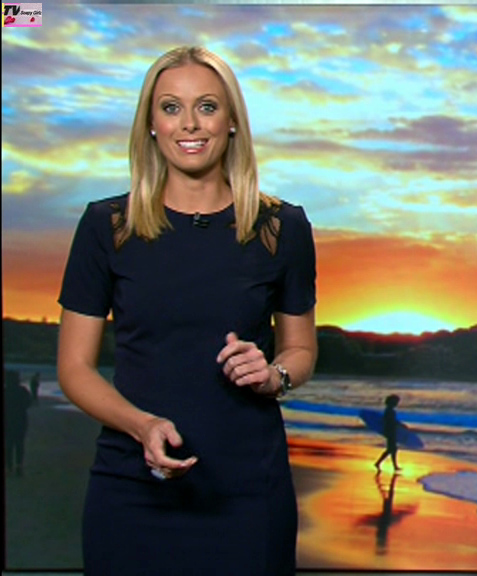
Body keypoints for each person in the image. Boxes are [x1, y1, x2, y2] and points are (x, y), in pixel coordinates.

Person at [56, 46, 317, 575]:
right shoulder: (107, 226)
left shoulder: (281, 228)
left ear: (232, 121)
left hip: (249, 494)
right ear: (151, 124)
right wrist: (142, 426)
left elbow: (301, 349)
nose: (190, 124)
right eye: (171, 107)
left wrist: (273, 375)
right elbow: (74, 368)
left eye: (207, 106)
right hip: (131, 491)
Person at [4, 370, 32, 476]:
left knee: (8, 444)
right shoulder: (23, 391)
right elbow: (28, 403)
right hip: (20, 419)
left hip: (7, 420)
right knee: (19, 444)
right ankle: (19, 465)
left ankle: (9, 467)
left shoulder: (5, 391)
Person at [374, 394, 402, 471]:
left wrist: (399, 425)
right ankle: (380, 463)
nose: (397, 403)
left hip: (390, 431)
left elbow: (389, 420)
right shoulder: (389, 411)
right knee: (392, 449)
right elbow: (390, 421)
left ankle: (392, 466)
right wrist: (399, 425)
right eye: (396, 402)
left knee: (392, 449)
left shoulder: (389, 410)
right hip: (390, 431)